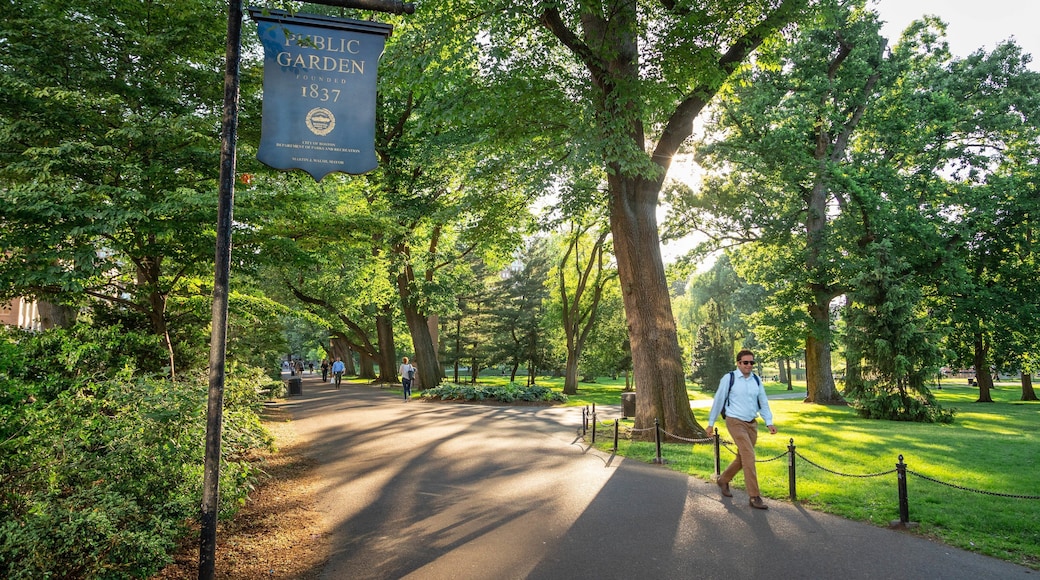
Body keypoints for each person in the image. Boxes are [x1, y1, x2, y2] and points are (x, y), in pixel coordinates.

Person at [706, 349, 777, 510]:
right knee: (749, 455)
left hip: (752, 423)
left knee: (742, 457)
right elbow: (719, 400)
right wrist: (711, 423)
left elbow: (763, 402)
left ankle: (723, 479)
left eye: (752, 362)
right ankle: (754, 496)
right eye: (745, 362)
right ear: (738, 363)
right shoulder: (729, 378)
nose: (749, 365)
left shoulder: (756, 380)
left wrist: (769, 422)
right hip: (735, 421)